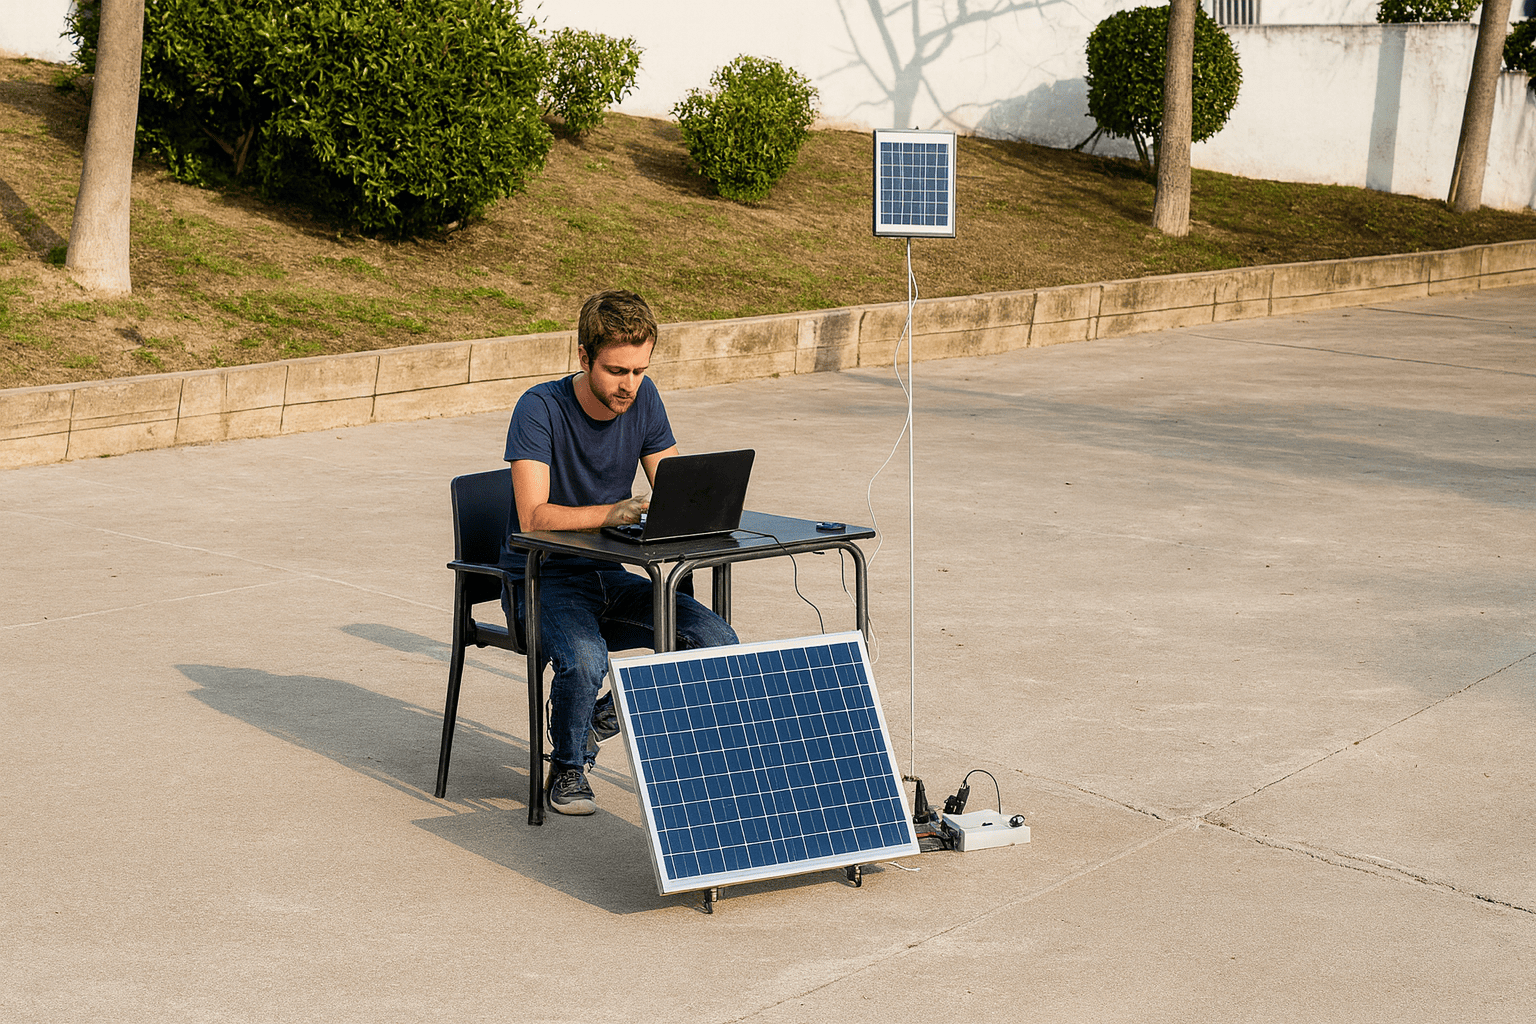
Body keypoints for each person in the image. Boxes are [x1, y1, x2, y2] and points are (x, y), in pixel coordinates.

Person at [499, 290, 739, 815]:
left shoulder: (644, 397)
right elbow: (533, 517)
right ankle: (567, 766)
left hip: (609, 572)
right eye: (616, 371)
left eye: (639, 370)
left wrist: (697, 508)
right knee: (585, 660)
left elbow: (673, 489)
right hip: (543, 578)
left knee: (716, 640)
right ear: (583, 357)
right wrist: (618, 512)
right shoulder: (539, 409)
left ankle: (605, 715)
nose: (629, 384)